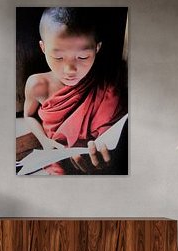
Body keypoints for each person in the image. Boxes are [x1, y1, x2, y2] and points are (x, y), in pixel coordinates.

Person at [23, 7, 127, 175]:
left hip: (96, 159)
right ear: (43, 48)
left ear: (97, 48)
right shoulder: (38, 85)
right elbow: (28, 115)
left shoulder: (106, 86)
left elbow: (114, 132)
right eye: (58, 57)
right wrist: (44, 141)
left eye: (83, 57)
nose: (70, 69)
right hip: (58, 157)